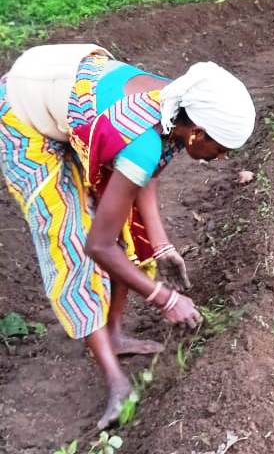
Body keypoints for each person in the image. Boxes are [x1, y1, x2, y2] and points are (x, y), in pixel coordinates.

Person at [0, 44, 256, 428]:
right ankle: (115, 380)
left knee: (125, 225)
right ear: (197, 132)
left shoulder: (176, 106)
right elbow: (98, 245)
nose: (221, 159)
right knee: (69, 240)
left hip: (70, 96)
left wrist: (162, 245)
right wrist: (163, 298)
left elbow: (144, 176)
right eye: (221, 149)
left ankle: (115, 334)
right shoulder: (141, 137)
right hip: (23, 111)